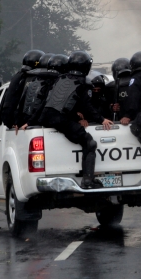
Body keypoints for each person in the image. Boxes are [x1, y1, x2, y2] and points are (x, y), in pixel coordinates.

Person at [40, 51, 113, 189]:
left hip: (46, 117)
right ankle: (88, 180)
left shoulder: (61, 78)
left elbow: (59, 102)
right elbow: (86, 105)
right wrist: (101, 119)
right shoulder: (83, 83)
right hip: (60, 119)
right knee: (89, 143)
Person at [18, 54, 66, 129]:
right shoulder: (57, 83)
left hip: (27, 122)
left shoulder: (34, 81)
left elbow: (21, 103)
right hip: (43, 123)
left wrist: (17, 122)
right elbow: (45, 104)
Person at [1, 49, 44, 129]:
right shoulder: (32, 79)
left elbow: (9, 103)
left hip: (18, 124)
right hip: (25, 123)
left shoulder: (17, 77)